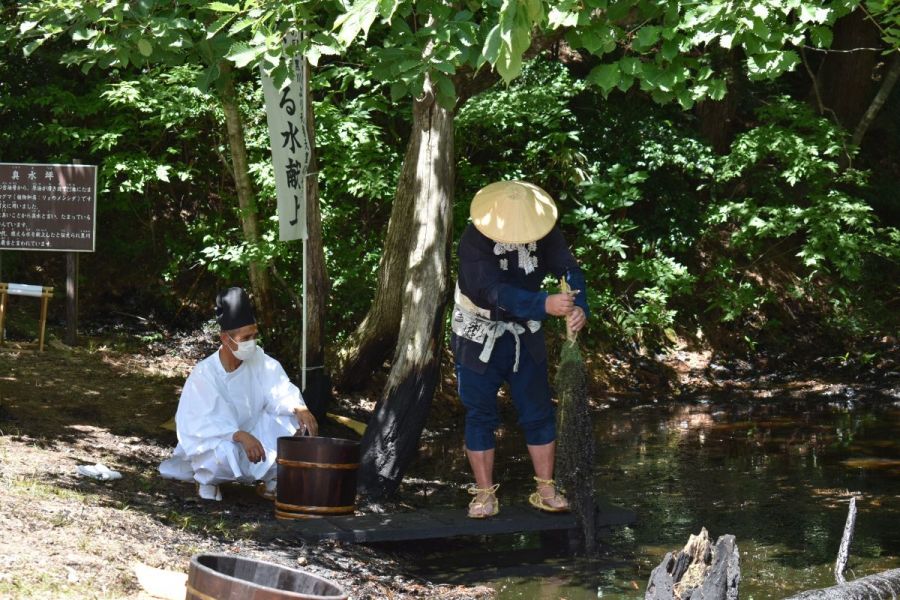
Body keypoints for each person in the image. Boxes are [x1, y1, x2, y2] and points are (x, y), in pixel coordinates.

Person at [451, 180, 589, 519]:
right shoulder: (474, 240)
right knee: (480, 412)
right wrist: (544, 303)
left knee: (538, 409)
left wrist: (577, 305)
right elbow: (490, 291)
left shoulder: (546, 232)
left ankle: (545, 488)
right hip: (478, 332)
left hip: (526, 330)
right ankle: (484, 494)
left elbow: (568, 269)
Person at [159, 287, 318, 501]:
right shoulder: (204, 373)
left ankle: (274, 479)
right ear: (225, 338)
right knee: (220, 453)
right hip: (221, 438)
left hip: (254, 429)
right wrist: (240, 435)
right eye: (246, 337)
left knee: (294, 420)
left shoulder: (259, 359)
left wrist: (299, 407)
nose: (252, 342)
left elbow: (280, 389)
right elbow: (198, 423)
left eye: (254, 335)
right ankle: (207, 480)